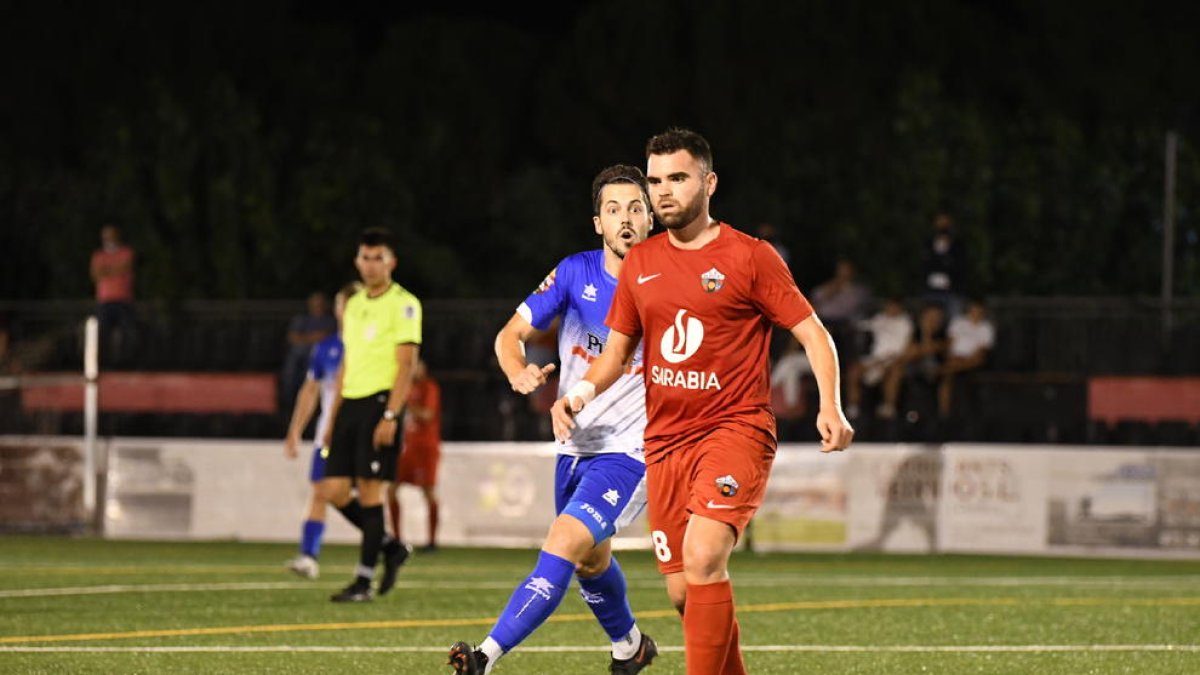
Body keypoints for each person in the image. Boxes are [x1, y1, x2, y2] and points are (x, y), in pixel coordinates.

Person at [551, 128, 854, 674]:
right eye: (655, 181)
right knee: (684, 594)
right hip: (666, 443)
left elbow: (813, 332)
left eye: (678, 178)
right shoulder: (641, 262)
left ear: (709, 183)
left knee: (704, 555)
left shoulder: (750, 257)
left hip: (735, 429)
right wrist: (579, 393)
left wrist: (830, 404)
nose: (664, 191)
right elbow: (616, 352)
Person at [449, 165, 658, 675]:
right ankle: (631, 646)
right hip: (574, 446)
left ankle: (484, 657)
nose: (625, 219)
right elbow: (509, 335)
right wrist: (517, 370)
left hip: (631, 450)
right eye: (614, 209)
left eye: (636, 209)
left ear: (651, 219)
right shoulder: (573, 273)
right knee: (590, 561)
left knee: (563, 543)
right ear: (598, 223)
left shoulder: (669, 283)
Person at [320, 228, 421, 603]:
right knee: (334, 490)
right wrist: (332, 417)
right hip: (350, 403)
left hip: (380, 403)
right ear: (357, 261)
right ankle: (391, 546)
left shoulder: (405, 304)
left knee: (370, 492)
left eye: (378, 257)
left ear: (391, 262)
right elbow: (346, 363)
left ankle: (363, 581)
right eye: (365, 257)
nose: (371, 264)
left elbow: (406, 365)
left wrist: (391, 415)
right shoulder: (354, 305)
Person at [282, 282, 360, 579]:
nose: (345, 311)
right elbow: (310, 390)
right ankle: (308, 556)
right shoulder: (327, 347)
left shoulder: (372, 348)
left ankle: (382, 546)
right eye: (342, 305)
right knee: (320, 491)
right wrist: (295, 430)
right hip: (327, 435)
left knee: (366, 495)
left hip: (359, 433)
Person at [386, 357, 442, 552]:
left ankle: (432, 541)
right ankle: (396, 539)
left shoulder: (429, 387)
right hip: (406, 449)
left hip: (425, 448)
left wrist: (405, 405)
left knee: (428, 492)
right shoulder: (404, 386)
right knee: (391, 490)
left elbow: (427, 414)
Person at [844, 297, 914, 420]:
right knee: (853, 371)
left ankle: (888, 406)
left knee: (895, 372)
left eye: (894, 306)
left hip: (893, 360)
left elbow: (905, 349)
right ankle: (853, 407)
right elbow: (861, 326)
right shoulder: (879, 319)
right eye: (889, 306)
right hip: (873, 359)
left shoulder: (905, 323)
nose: (891, 309)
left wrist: (884, 362)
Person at [877, 302, 947, 420]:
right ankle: (889, 406)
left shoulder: (944, 334)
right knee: (895, 370)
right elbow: (909, 352)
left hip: (936, 368)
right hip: (914, 366)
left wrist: (927, 335)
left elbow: (932, 349)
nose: (933, 320)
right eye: (930, 316)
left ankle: (942, 417)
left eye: (937, 317)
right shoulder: (914, 332)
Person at [936, 299, 994, 418]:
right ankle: (944, 414)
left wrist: (962, 361)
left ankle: (942, 370)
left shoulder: (986, 328)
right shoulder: (958, 322)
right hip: (954, 358)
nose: (975, 314)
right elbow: (949, 343)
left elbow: (981, 352)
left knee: (949, 370)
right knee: (947, 380)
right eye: (973, 310)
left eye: (979, 311)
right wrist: (950, 356)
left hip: (972, 360)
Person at [281, 292, 338, 412]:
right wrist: (314, 337)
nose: (318, 306)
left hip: (324, 355)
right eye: (315, 304)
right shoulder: (302, 319)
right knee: (293, 363)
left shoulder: (330, 321)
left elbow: (332, 338)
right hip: (302, 353)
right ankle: (288, 404)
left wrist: (312, 338)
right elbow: (293, 338)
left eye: (320, 304)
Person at [89, 224, 136, 363]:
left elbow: (125, 267)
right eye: (105, 236)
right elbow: (96, 274)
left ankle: (127, 363)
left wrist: (106, 271)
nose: (108, 239)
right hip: (104, 300)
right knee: (102, 334)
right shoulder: (98, 255)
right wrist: (114, 270)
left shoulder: (126, 252)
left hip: (124, 299)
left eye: (111, 235)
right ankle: (103, 363)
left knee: (128, 333)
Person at [922, 212, 965, 318]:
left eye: (945, 222)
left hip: (951, 290)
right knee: (930, 318)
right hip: (930, 289)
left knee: (954, 320)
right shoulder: (928, 242)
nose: (942, 225)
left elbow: (960, 265)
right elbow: (925, 263)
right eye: (940, 222)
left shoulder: (957, 243)